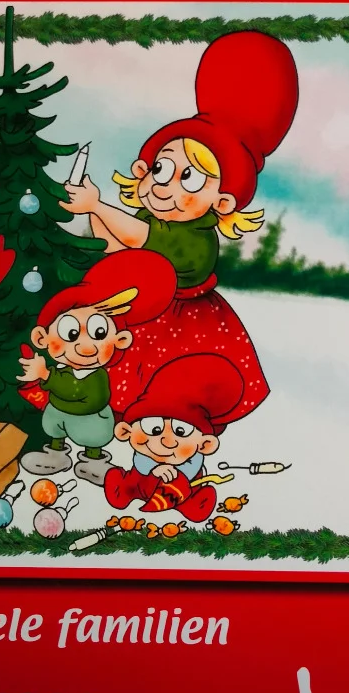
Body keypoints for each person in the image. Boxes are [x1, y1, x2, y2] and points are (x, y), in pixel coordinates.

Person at [60, 30, 298, 426]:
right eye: (161, 168)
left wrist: (97, 205)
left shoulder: (194, 237)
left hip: (182, 326)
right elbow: (118, 248)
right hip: (138, 308)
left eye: (189, 178)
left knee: (173, 389)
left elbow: (139, 239)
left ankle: (178, 433)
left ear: (223, 202)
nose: (164, 185)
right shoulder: (152, 218)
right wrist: (93, 213)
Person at [17, 249, 176, 483]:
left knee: (94, 436)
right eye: (71, 333)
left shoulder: (96, 376)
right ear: (42, 339)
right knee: (53, 426)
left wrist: (46, 376)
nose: (86, 346)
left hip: (90, 419)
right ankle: (56, 454)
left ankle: (93, 460)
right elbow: (59, 386)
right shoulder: (60, 369)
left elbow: (83, 394)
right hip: (59, 413)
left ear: (119, 341)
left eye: (99, 333)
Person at [104, 353, 244, 522]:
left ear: (205, 444)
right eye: (154, 429)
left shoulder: (193, 462)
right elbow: (140, 464)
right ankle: (124, 488)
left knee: (191, 496)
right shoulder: (143, 456)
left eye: (181, 431)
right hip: (141, 483)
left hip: (180, 491)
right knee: (131, 485)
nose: (167, 441)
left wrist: (178, 475)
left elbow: (191, 472)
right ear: (126, 432)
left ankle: (193, 503)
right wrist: (153, 469)